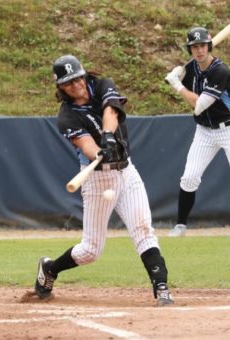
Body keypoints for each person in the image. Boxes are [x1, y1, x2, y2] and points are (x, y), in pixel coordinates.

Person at [33, 55, 174, 306]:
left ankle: (161, 286)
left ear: (83, 75)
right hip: (97, 179)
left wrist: (108, 136)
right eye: (68, 82)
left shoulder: (101, 84)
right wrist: (99, 151)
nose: (75, 84)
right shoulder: (66, 117)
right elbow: (86, 145)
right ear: (60, 87)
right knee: (90, 251)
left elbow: (111, 109)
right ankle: (50, 268)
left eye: (77, 77)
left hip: (126, 170)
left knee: (142, 228)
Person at [165, 27, 230, 237]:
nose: (199, 50)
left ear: (209, 46)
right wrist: (178, 75)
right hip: (204, 131)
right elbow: (188, 91)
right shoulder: (191, 68)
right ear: (190, 49)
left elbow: (200, 104)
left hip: (228, 128)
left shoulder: (220, 70)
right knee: (189, 178)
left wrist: (176, 85)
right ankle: (181, 225)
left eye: (202, 45)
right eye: (194, 47)